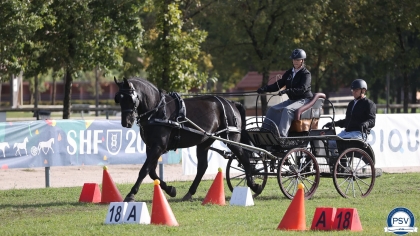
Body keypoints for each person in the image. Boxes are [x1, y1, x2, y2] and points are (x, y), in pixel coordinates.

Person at [257, 48, 313, 137]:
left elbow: (302, 89)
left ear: (302, 61)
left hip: (303, 100)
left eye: (298, 60)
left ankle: (282, 136)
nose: (295, 62)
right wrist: (265, 88)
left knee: (287, 110)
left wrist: (287, 91)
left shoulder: (306, 74)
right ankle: (265, 133)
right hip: (292, 100)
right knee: (272, 109)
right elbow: (277, 85)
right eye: (294, 59)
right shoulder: (289, 72)